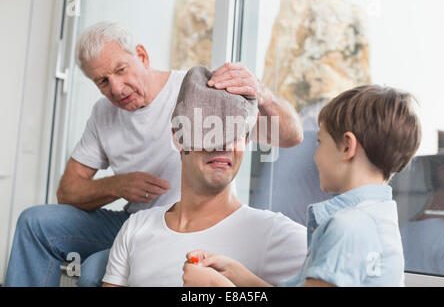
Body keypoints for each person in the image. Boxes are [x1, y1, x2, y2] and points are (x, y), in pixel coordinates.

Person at [5, 22, 304, 287]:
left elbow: (290, 136)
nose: (117, 88)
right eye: (102, 81)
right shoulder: (103, 114)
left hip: (191, 221)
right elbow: (67, 190)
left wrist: (262, 94)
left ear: (142, 56)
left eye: (121, 70)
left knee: (95, 270)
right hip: (134, 223)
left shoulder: (193, 93)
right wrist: (117, 185)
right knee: (35, 222)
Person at [182, 84, 422, 287]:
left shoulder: (348, 228)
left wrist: (217, 287)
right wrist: (239, 276)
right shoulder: (378, 218)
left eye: (319, 142)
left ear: (347, 147)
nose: (314, 156)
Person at [102, 66, 307, 286]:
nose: (223, 145)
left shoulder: (271, 233)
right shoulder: (137, 228)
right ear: (178, 137)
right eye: (209, 132)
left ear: (246, 141)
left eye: (234, 133)